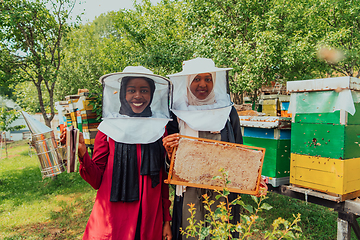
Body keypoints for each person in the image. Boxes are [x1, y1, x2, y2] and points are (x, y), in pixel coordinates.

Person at [62, 66, 173, 240]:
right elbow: (96, 180)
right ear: (122, 94)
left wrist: (166, 220)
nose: (138, 96)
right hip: (113, 219)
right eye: (131, 90)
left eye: (144, 90)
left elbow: (161, 179)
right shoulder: (108, 129)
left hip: (149, 218)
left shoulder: (160, 129)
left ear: (152, 94)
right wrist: (83, 153)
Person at [163, 58, 266, 240]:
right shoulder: (176, 114)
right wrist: (169, 152)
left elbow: (239, 152)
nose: (203, 84)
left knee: (221, 232)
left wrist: (253, 179)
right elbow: (168, 164)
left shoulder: (227, 112)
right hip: (190, 190)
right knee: (191, 232)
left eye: (208, 79)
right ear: (187, 82)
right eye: (196, 79)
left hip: (222, 189)